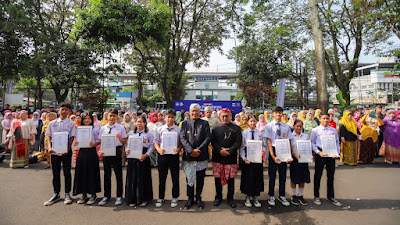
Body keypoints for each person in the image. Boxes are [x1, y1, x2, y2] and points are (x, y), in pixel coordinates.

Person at [43, 103, 76, 206]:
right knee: (55, 173)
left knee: (67, 172)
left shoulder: (71, 124)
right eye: (62, 109)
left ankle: (67, 194)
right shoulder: (52, 123)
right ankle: (56, 193)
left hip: (66, 151)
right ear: (58, 110)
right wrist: (49, 148)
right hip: (54, 151)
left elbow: (71, 138)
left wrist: (67, 149)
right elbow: (48, 136)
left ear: (70, 111)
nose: (64, 111)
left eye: (66, 110)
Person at [180, 103, 211, 210]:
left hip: (201, 155)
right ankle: (190, 199)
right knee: (189, 178)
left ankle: (198, 197)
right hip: (189, 156)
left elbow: (208, 138)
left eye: (196, 111)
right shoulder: (184, 123)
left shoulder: (205, 123)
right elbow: (183, 138)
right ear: (190, 111)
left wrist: (198, 150)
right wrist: (190, 150)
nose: (194, 113)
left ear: (200, 112)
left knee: (200, 178)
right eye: (192, 111)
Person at [211, 108, 242, 208]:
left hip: (231, 157)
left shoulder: (236, 128)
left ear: (230, 116)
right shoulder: (215, 128)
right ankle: (218, 197)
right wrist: (220, 150)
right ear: (220, 117)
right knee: (217, 179)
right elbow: (213, 141)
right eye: (223, 116)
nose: (225, 118)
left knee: (231, 180)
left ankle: (230, 198)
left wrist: (229, 151)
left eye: (226, 116)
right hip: (218, 157)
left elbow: (238, 142)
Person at [97, 108, 127, 206]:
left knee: (118, 174)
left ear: (117, 116)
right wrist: (100, 151)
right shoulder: (103, 128)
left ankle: (119, 196)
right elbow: (101, 142)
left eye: (114, 116)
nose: (112, 117)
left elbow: (124, 141)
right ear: (107, 116)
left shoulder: (121, 127)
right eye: (110, 115)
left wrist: (119, 138)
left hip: (117, 151)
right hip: (106, 152)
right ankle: (106, 196)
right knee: (107, 174)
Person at [310, 112, 342, 206]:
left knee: (331, 175)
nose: (325, 120)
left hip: (331, 154)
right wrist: (318, 152)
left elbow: (337, 142)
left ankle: (331, 196)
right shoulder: (315, 130)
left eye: (327, 118)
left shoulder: (333, 130)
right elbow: (312, 143)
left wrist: (337, 153)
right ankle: (316, 196)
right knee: (318, 175)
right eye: (323, 118)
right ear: (319, 119)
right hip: (320, 154)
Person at [264, 106, 293, 207]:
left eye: (280, 113)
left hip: (284, 151)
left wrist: (289, 156)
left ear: (282, 114)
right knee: (272, 175)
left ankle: (282, 195)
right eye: (276, 113)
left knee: (283, 175)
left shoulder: (286, 126)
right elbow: (269, 141)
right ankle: (271, 195)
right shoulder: (269, 126)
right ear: (273, 114)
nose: (278, 115)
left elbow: (288, 141)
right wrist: (273, 156)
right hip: (274, 150)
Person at [154, 109, 181, 208]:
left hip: (174, 156)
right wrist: (159, 150)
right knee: (162, 177)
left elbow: (181, 142)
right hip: (163, 155)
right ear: (165, 117)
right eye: (168, 117)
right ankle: (161, 197)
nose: (170, 119)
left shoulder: (178, 129)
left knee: (175, 177)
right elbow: (155, 142)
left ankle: (175, 197)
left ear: (174, 118)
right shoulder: (160, 129)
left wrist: (179, 149)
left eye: (172, 117)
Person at [125, 116, 154, 207]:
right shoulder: (131, 133)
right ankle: (132, 199)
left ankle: (143, 199)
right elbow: (128, 145)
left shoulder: (148, 134)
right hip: (132, 157)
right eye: (137, 122)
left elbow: (152, 146)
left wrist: (146, 155)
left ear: (145, 123)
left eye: (141, 122)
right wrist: (127, 150)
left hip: (143, 156)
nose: (139, 124)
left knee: (143, 178)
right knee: (132, 178)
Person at [72, 113, 101, 205]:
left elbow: (99, 140)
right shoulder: (78, 129)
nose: (87, 120)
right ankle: (83, 194)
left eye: (89, 119)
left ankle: (93, 194)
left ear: (92, 120)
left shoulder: (95, 130)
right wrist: (76, 142)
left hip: (91, 152)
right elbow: (75, 141)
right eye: (85, 119)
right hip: (82, 153)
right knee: (82, 172)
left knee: (91, 172)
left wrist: (94, 144)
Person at [240, 115, 266, 208]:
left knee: (257, 177)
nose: (252, 123)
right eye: (250, 121)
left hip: (257, 159)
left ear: (256, 122)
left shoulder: (260, 133)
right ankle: (247, 197)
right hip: (248, 159)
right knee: (248, 178)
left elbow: (263, 145)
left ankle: (255, 197)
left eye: (254, 121)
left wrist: (263, 151)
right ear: (247, 122)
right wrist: (243, 158)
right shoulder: (244, 133)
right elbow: (242, 147)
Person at [289, 120, 311, 206]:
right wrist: (294, 154)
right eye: (297, 126)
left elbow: (309, 147)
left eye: (301, 126)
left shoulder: (305, 136)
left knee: (303, 177)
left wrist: (310, 155)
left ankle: (301, 195)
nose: (299, 128)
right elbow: (288, 148)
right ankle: (294, 195)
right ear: (294, 126)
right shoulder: (290, 136)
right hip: (294, 160)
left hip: (304, 159)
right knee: (294, 177)